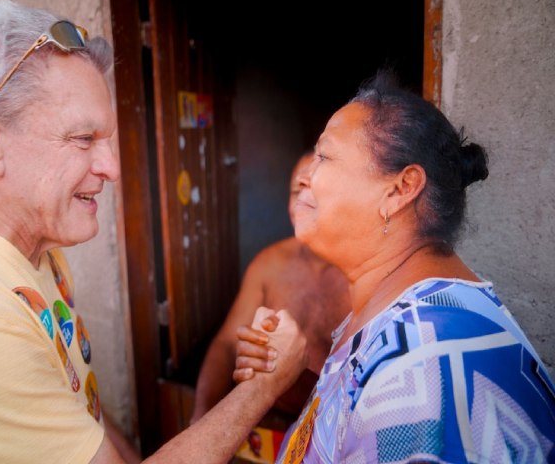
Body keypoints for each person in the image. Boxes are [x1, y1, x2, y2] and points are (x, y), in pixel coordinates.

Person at [0, 0, 308, 464]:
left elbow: (79, 417)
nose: (112, 168)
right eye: (83, 139)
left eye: (107, 140)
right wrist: (264, 386)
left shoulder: (31, 249)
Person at [235, 70, 555, 462]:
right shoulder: (393, 320)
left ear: (400, 190)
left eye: (324, 155)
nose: (304, 177)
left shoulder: (424, 362)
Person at [191, 152, 350, 424]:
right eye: (295, 191)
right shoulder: (268, 264)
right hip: (271, 424)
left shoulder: (366, 277)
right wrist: (202, 417)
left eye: (315, 189)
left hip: (335, 434)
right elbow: (227, 344)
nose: (302, 200)